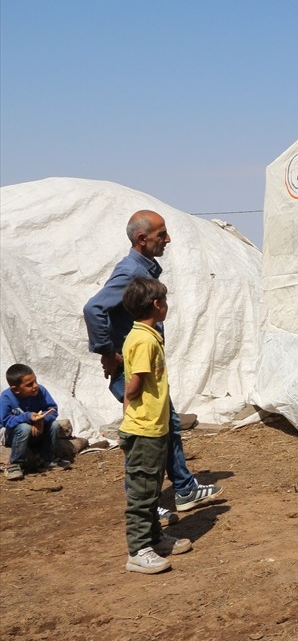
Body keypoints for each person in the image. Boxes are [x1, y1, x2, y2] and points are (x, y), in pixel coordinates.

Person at [83, 210, 222, 518]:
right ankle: (145, 504)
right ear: (142, 239)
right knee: (142, 438)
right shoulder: (131, 270)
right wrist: (108, 352)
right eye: (161, 234)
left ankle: (183, 488)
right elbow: (94, 308)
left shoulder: (142, 268)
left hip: (144, 367)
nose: (168, 239)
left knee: (167, 427)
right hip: (133, 369)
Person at [118, 277, 193, 574]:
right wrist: (131, 400)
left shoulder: (148, 334)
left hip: (154, 427)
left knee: (151, 489)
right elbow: (134, 384)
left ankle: (154, 538)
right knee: (141, 493)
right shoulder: (144, 339)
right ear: (156, 305)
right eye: (165, 301)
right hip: (143, 428)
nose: (167, 306)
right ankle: (138, 551)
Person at [2, 363, 68, 479]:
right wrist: (27, 417)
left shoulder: (40, 391)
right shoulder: (6, 397)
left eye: (35, 381)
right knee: (24, 427)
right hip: (14, 434)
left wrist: (41, 420)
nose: (35, 385)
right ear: (16, 389)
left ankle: (47, 459)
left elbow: (52, 409)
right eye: (29, 384)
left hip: (37, 430)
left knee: (54, 425)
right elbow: (5, 421)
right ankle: (15, 464)